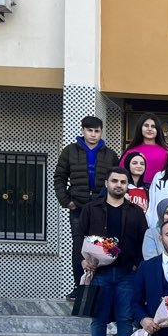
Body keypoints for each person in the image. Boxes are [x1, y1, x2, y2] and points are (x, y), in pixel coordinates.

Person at [77, 167, 145, 336]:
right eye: (114, 181)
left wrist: (137, 265)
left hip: (127, 273)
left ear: (127, 186)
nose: (118, 185)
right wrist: (82, 261)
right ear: (106, 183)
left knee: (125, 317)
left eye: (123, 182)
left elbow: (144, 242)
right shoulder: (91, 208)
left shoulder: (136, 211)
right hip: (99, 272)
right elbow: (80, 236)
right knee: (98, 318)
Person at [55, 116, 121, 299]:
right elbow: (59, 177)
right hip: (78, 207)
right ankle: (80, 287)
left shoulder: (110, 154)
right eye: (90, 130)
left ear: (101, 132)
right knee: (79, 248)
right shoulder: (69, 151)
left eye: (97, 131)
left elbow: (116, 180)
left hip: (101, 208)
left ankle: (99, 287)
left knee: (102, 247)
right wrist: (66, 200)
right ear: (83, 130)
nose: (93, 134)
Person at [122, 113, 168, 184]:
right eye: (146, 125)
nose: (149, 129)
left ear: (158, 129)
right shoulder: (130, 151)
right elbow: (121, 175)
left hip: (160, 191)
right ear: (140, 128)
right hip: (135, 192)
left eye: (153, 126)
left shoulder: (166, 152)